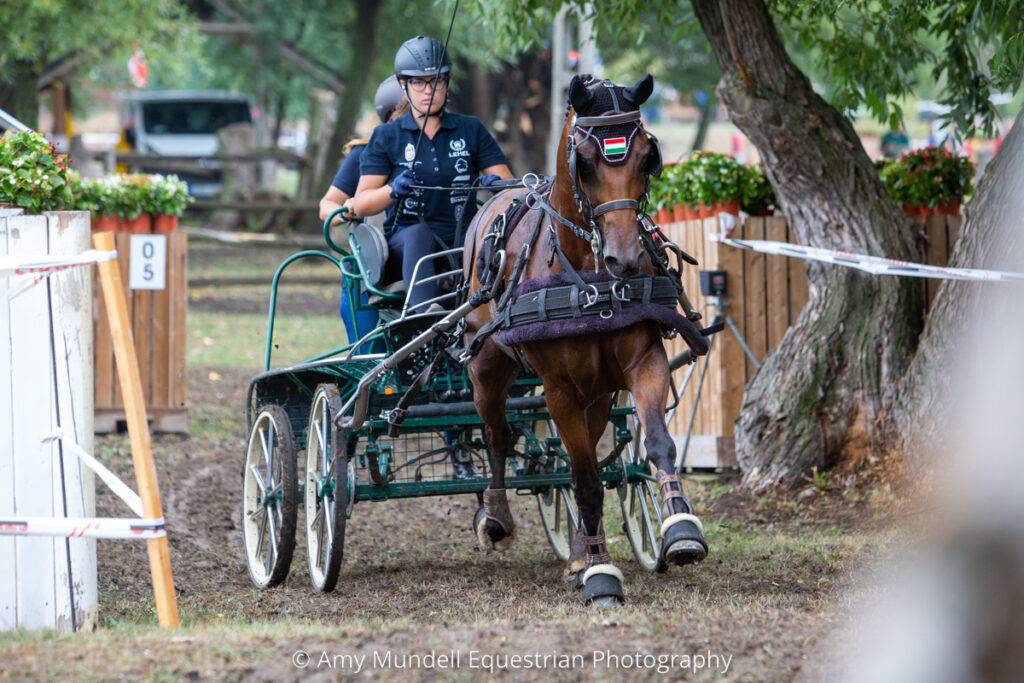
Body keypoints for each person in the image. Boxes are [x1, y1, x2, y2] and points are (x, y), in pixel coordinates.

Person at [351, 35, 513, 313]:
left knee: (498, 236)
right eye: (418, 82)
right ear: (403, 84)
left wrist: (497, 187)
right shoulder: (387, 135)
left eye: (436, 80)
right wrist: (392, 190)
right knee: (419, 234)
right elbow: (360, 204)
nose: (429, 90)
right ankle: (425, 316)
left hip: (465, 240)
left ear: (447, 82)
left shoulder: (470, 129)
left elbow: (511, 189)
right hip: (407, 245)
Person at [319, 76, 408, 351]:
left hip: (424, 265)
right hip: (372, 271)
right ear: (389, 117)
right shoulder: (363, 154)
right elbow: (327, 205)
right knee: (371, 353)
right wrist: (348, 211)